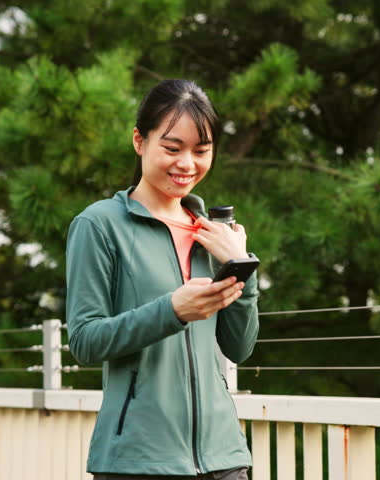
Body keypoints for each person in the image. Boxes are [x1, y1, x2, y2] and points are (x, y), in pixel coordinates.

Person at [65, 79, 259, 479]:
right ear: (140, 141)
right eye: (172, 148)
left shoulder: (214, 234)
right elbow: (84, 340)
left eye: (201, 151)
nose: (187, 164)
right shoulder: (99, 225)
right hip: (138, 462)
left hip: (225, 459)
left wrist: (242, 265)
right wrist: (171, 310)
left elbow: (239, 347)